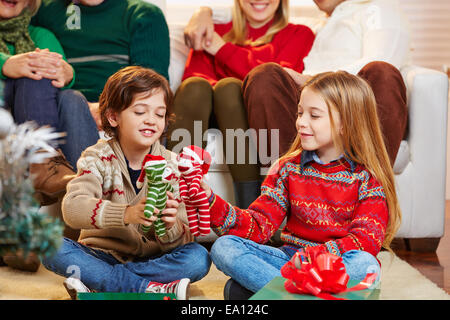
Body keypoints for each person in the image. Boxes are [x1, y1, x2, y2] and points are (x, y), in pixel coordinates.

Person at [202, 71, 401, 299]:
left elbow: (365, 241)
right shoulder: (287, 168)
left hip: (332, 265)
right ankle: (299, 295)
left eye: (314, 116)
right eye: (299, 113)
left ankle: (272, 293)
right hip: (289, 261)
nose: (300, 122)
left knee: (366, 265)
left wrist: (312, 259)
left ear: (346, 123)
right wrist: (209, 200)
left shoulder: (367, 179)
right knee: (224, 247)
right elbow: (258, 226)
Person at [42, 66, 211, 299]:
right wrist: (127, 213)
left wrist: (170, 225)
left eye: (159, 114)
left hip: (156, 258)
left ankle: (102, 282)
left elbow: (183, 238)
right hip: (102, 254)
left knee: (198, 258)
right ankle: (147, 288)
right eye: (140, 112)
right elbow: (72, 208)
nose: (151, 120)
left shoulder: (174, 165)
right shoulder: (96, 158)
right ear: (113, 117)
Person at [187, 0, 409, 168]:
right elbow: (253, 9)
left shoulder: (378, 9)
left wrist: (315, 80)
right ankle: (291, 190)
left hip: (351, 105)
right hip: (305, 106)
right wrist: (203, 12)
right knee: (264, 75)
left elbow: (384, 63)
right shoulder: (320, 24)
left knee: (383, 71)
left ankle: (371, 193)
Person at [167, 0, 315, 209]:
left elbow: (275, 78)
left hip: (253, 116)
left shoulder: (299, 33)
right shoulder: (212, 30)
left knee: (230, 88)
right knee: (196, 86)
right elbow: (195, 75)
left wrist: (221, 49)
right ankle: (173, 197)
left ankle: (251, 209)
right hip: (206, 111)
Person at [27, 0, 171, 203]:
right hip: (67, 103)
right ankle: (87, 206)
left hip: (122, 104)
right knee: (71, 101)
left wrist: (109, 107)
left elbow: (151, 86)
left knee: (146, 109)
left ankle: (122, 206)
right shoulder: (47, 10)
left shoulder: (142, 13)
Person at [0, 0, 77, 272]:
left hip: (30, 127)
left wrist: (66, 72)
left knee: (39, 70)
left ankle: (44, 163)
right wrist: (6, 64)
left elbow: (59, 78)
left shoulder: (42, 37)